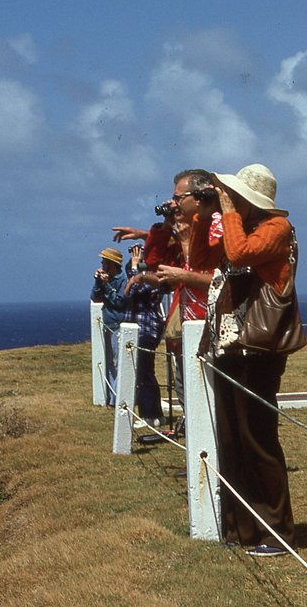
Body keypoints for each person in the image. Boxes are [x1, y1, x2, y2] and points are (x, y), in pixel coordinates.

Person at [197, 163, 304, 558]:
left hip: (259, 348)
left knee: (257, 438)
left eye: (234, 194)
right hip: (231, 344)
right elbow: (201, 259)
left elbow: (240, 253)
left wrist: (226, 212)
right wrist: (202, 216)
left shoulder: (277, 229)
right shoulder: (239, 224)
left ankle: (278, 531)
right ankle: (241, 526)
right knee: (231, 437)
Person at [112, 169, 223, 432]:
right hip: (188, 320)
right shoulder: (188, 230)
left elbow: (211, 273)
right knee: (187, 383)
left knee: (203, 386)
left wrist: (184, 243)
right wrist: (158, 231)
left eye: (178, 198)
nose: (173, 204)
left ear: (199, 197)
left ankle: (204, 440)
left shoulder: (215, 226)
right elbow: (158, 264)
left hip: (207, 320)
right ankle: (197, 435)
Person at [123, 243, 165, 424]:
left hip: (145, 329)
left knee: (145, 373)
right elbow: (125, 295)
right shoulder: (138, 276)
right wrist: (133, 276)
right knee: (143, 373)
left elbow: (137, 287)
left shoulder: (152, 279)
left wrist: (136, 270)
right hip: (136, 329)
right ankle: (153, 413)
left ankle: (151, 415)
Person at [90, 247, 127, 407]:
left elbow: (120, 301)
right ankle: (113, 396)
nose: (102, 265)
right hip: (108, 324)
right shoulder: (106, 279)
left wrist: (107, 286)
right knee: (109, 362)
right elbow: (95, 297)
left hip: (118, 325)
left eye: (105, 262)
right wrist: (98, 282)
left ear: (112, 264)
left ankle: (117, 398)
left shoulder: (122, 280)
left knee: (118, 363)